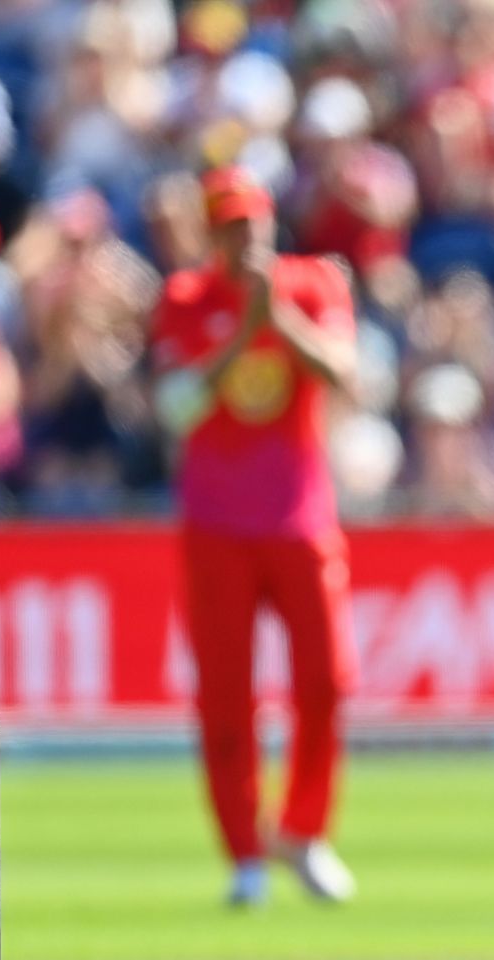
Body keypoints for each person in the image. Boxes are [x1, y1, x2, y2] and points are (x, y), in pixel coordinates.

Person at [147, 165, 361, 907]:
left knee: (326, 681)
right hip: (216, 522)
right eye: (232, 229)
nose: (247, 242)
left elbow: (342, 371)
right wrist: (244, 329)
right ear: (212, 235)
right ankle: (244, 851)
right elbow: (176, 409)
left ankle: (303, 831)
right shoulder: (185, 298)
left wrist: (280, 319)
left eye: (256, 226)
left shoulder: (316, 283)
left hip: (301, 515)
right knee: (227, 695)